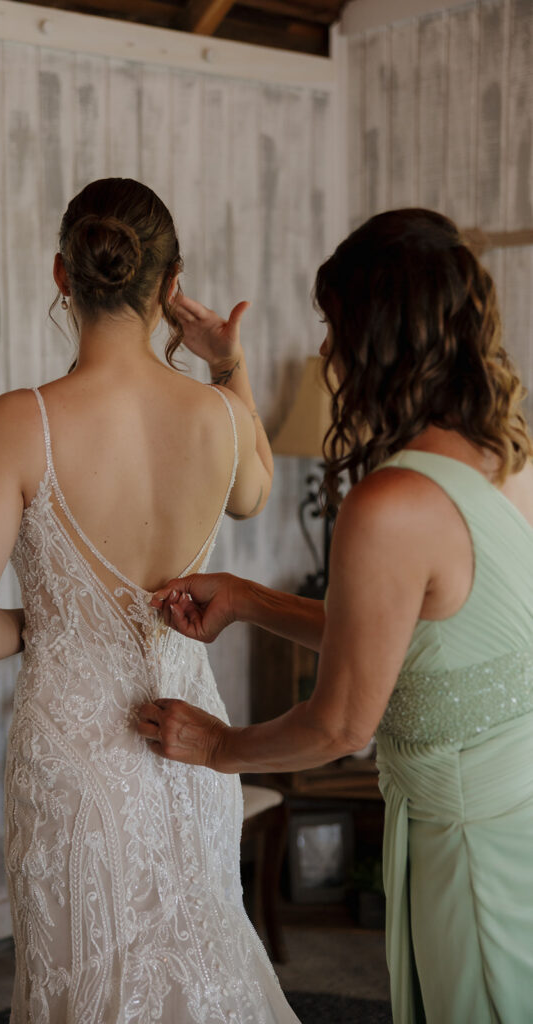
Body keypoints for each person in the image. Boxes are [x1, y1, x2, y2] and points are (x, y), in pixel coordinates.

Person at [138, 208, 533, 1024]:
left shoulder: (391, 502)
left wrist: (217, 745)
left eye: (334, 324)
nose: (324, 350)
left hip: (465, 855)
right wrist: (246, 599)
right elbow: (410, 641)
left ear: (382, 333)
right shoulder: (511, 457)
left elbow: (339, 724)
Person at [0, 177, 301, 1023]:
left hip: (72, 762)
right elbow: (254, 495)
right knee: (199, 962)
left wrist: (49, 625)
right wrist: (228, 364)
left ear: (63, 275)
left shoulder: (19, 423)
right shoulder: (219, 415)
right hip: (193, 739)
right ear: (171, 287)